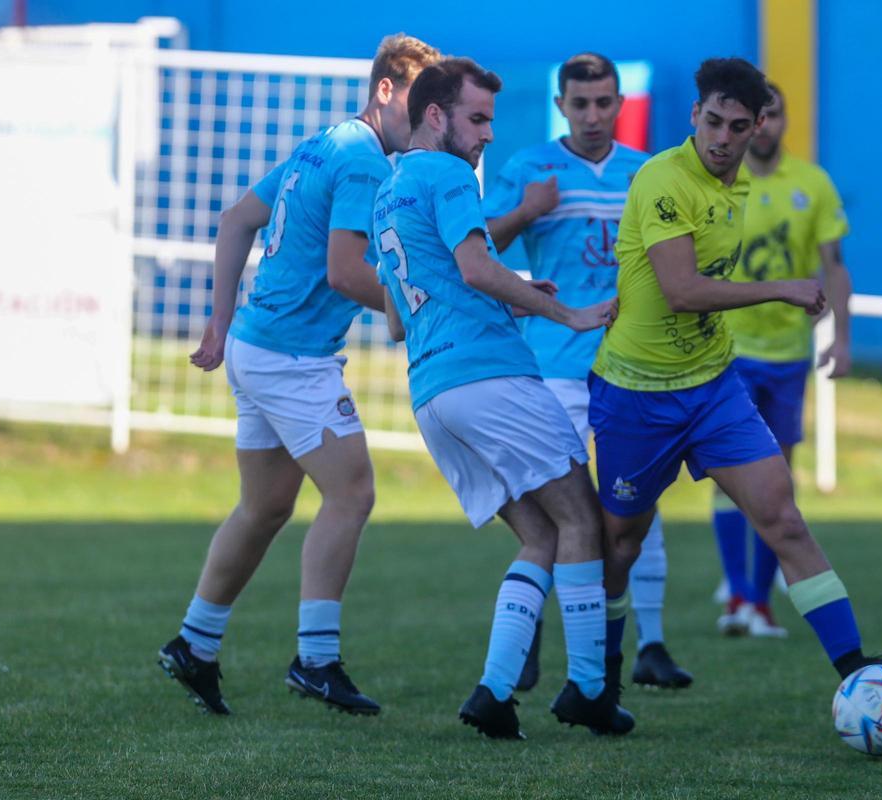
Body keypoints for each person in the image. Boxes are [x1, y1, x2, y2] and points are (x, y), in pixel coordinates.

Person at [590, 57, 882, 698]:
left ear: (756, 128)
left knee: (784, 516)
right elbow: (682, 290)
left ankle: (857, 672)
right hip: (637, 392)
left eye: (735, 126)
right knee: (620, 545)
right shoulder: (663, 178)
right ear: (694, 116)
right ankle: (599, 679)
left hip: (713, 387)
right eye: (711, 121)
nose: (720, 136)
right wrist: (783, 290)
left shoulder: (743, 187)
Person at [156, 34, 441, 717]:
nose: (432, 116)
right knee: (353, 492)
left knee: (265, 508)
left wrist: (222, 322)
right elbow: (346, 272)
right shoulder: (364, 160)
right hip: (292, 359)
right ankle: (315, 660)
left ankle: (194, 643)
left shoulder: (321, 143)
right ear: (384, 90)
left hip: (257, 345)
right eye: (421, 99)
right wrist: (425, 304)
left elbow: (235, 220)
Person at [373, 56, 634, 739]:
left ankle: (493, 695)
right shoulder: (450, 173)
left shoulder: (387, 192)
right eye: (477, 118)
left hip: (433, 392)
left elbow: (400, 316)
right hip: (490, 377)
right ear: (436, 115)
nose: (488, 134)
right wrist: (566, 315)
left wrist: (510, 300)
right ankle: (588, 691)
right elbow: (475, 266)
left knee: (543, 535)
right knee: (583, 518)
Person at [483, 52, 691, 691]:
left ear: (620, 104)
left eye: (605, 103)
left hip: (633, 367)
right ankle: (534, 646)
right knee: (560, 516)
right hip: (555, 367)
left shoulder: (647, 174)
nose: (594, 115)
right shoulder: (530, 168)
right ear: (562, 105)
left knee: (638, 505)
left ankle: (650, 645)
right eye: (581, 104)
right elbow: (478, 247)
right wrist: (526, 210)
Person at [712, 84, 855, 639]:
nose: (765, 126)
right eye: (757, 117)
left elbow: (835, 266)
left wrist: (841, 338)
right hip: (729, 350)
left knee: (779, 483)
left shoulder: (812, 184)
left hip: (789, 356)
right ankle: (741, 599)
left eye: (775, 115)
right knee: (727, 479)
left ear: (785, 121)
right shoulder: (723, 184)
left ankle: (761, 605)